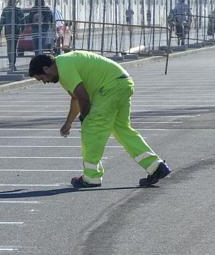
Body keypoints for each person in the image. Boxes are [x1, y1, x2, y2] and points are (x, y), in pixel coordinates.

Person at [28, 52, 171, 188]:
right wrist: (69, 122)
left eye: (41, 78)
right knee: (123, 130)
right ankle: (156, 167)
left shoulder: (64, 69)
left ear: (46, 69)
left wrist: (85, 118)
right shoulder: (64, 63)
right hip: (123, 82)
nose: (44, 82)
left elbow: (83, 98)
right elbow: (76, 98)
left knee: (91, 130)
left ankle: (91, 178)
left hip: (110, 88)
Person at [0, 0, 25, 72]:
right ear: (15, 2)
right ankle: (13, 64)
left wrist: (0, 30)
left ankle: (11, 63)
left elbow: (2, 21)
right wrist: (22, 30)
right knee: (14, 48)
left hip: (8, 31)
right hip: (16, 31)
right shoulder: (18, 10)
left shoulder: (5, 10)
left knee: (9, 48)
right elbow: (23, 22)